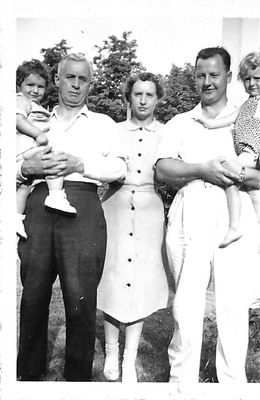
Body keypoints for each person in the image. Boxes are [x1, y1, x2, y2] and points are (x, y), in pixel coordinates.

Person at [155, 47, 260, 385]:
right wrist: (202, 169)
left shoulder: (252, 115)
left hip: (237, 211)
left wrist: (242, 176)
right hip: (193, 210)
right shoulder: (180, 122)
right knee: (186, 306)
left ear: (228, 77)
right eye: (201, 75)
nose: (207, 81)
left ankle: (233, 384)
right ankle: (181, 382)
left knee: (232, 306)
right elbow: (162, 168)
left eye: (214, 75)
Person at [17, 53, 128, 381]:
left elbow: (119, 168)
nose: (76, 84)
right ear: (57, 80)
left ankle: (77, 379)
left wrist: (80, 165)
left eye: (83, 79)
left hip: (82, 207)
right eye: (69, 78)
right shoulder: (33, 117)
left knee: (80, 300)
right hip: (38, 205)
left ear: (90, 84)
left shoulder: (103, 124)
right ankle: (28, 374)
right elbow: (8, 158)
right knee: (34, 294)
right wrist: (26, 168)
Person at [97, 72, 169, 383]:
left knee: (139, 280)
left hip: (149, 210)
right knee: (112, 278)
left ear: (157, 99)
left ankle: (130, 359)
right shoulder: (113, 131)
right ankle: (111, 352)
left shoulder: (166, 133)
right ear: (129, 97)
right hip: (114, 206)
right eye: (137, 94)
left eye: (149, 95)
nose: (142, 100)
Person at [194, 52, 260, 249]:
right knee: (255, 195)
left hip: (252, 150)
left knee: (229, 173)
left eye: (257, 78)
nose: (251, 84)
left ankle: (235, 226)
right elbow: (231, 118)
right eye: (247, 79)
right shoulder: (247, 104)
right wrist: (209, 124)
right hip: (244, 150)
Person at [16, 60, 76, 240]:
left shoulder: (37, 106)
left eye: (40, 87)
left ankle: (16, 217)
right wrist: (37, 135)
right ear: (19, 84)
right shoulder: (21, 100)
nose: (35, 90)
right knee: (54, 159)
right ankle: (56, 195)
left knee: (25, 187)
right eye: (30, 85)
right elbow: (18, 120)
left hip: (26, 150)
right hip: (26, 146)